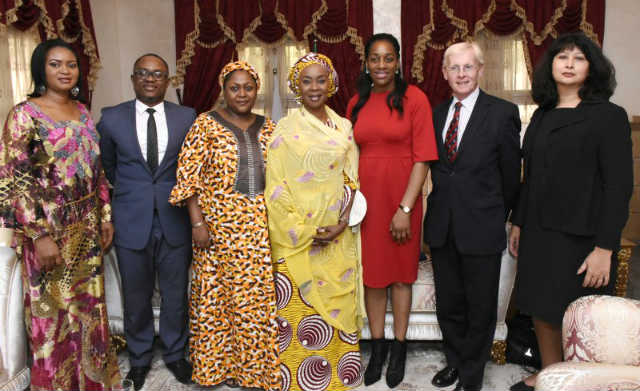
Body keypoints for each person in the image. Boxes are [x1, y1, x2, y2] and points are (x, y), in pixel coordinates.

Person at [508, 32, 633, 391]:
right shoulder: (542, 116)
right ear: (551, 66)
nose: (569, 64)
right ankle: (552, 378)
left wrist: (605, 248)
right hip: (539, 231)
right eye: (562, 57)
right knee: (540, 310)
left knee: (579, 316)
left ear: (591, 68)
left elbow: (618, 187)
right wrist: (519, 222)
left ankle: (581, 382)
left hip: (584, 237)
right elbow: (529, 178)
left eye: (578, 58)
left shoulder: (609, 116)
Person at [0, 39, 121, 390]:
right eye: (55, 64)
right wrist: (39, 236)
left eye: (71, 64)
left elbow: (97, 171)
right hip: (48, 233)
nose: (65, 71)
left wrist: (106, 217)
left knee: (89, 314)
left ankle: (93, 383)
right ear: (41, 69)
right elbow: (14, 179)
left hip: (87, 230)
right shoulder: (25, 114)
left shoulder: (82, 111)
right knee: (52, 317)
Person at [168, 61, 281, 389]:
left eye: (248, 87)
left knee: (254, 301)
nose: (242, 94)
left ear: (256, 89)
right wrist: (197, 223)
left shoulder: (269, 127)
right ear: (224, 89)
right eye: (235, 87)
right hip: (216, 229)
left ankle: (254, 371)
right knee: (218, 301)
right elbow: (188, 179)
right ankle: (221, 369)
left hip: (258, 228)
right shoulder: (205, 124)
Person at [425, 41, 521, 391]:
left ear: (480, 70)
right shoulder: (435, 115)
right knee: (449, 305)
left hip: (482, 224)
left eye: (468, 67)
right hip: (442, 225)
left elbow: (512, 176)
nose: (462, 74)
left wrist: (500, 214)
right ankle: (454, 361)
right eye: (455, 68)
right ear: (445, 73)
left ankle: (471, 376)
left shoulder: (502, 112)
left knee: (480, 307)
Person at [265, 52, 364, 391]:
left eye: (321, 80)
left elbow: (353, 180)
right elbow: (275, 188)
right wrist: (306, 232)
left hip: (338, 239)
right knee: (299, 316)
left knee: (339, 307)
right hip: (297, 240)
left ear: (331, 83)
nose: (314, 87)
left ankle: (338, 380)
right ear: (296, 86)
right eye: (306, 80)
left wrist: (340, 224)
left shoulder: (344, 127)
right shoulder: (283, 129)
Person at [97, 53, 196, 390]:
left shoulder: (187, 117)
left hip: (175, 218)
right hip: (131, 219)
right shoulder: (111, 118)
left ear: (168, 81)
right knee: (136, 296)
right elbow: (107, 167)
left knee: (175, 294)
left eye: (158, 74)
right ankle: (139, 358)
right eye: (143, 73)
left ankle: (175, 354)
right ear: (133, 78)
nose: (151, 79)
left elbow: (190, 167)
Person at [346, 33, 437, 388]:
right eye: (374, 58)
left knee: (401, 276)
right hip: (366, 204)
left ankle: (399, 347)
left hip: (403, 201)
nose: (381, 65)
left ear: (398, 61)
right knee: (372, 276)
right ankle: (378, 347)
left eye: (388, 58)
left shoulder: (415, 99)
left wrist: (405, 207)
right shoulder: (356, 103)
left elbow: (423, 158)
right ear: (366, 63)